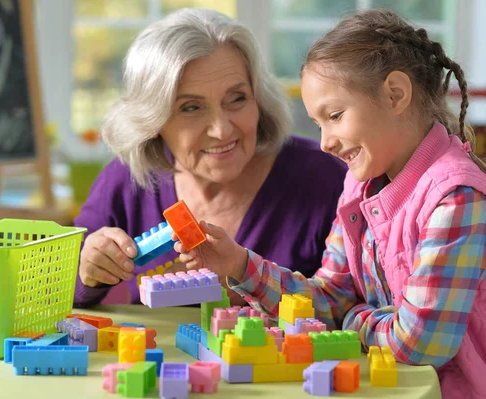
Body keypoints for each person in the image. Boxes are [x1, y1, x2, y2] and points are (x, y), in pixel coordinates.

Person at [173, 9, 486, 398]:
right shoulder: (358, 191)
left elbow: (420, 343)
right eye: (318, 124)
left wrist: (352, 318)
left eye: (335, 116)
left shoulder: (457, 200)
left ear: (395, 95)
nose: (325, 141)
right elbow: (329, 298)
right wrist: (239, 264)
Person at [73, 8, 347, 307]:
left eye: (237, 98)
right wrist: (88, 273)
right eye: (191, 108)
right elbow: (54, 292)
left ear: (258, 99)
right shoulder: (125, 181)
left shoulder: (326, 178)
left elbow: (356, 302)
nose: (221, 130)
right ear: (153, 121)